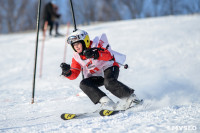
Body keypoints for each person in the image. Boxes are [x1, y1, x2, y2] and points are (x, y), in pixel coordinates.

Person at [60, 29, 141, 110]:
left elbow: (108, 55)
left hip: (110, 67)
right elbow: (74, 74)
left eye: (78, 43)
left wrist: (95, 54)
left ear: (85, 41)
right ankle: (107, 103)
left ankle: (132, 99)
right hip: (97, 75)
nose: (76, 46)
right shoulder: (76, 57)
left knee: (109, 83)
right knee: (84, 84)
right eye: (74, 45)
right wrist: (67, 72)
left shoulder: (96, 44)